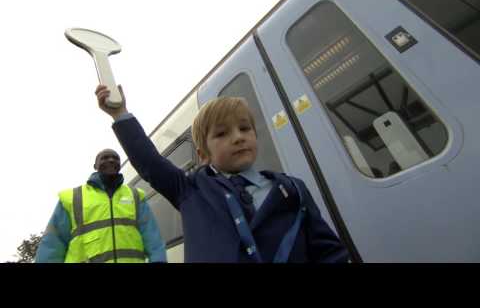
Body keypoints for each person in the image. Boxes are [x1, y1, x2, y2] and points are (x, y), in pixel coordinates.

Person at [95, 84, 350, 263]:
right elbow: (148, 160)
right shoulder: (190, 190)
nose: (238, 137)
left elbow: (328, 251)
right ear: (203, 154)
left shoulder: (292, 189)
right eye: (222, 133)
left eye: (244, 128)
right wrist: (119, 113)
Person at [35, 148, 167, 263]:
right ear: (95, 165)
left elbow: (152, 238)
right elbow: (53, 243)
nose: (111, 160)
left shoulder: (136, 195)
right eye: (105, 158)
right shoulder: (73, 197)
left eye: (115, 158)